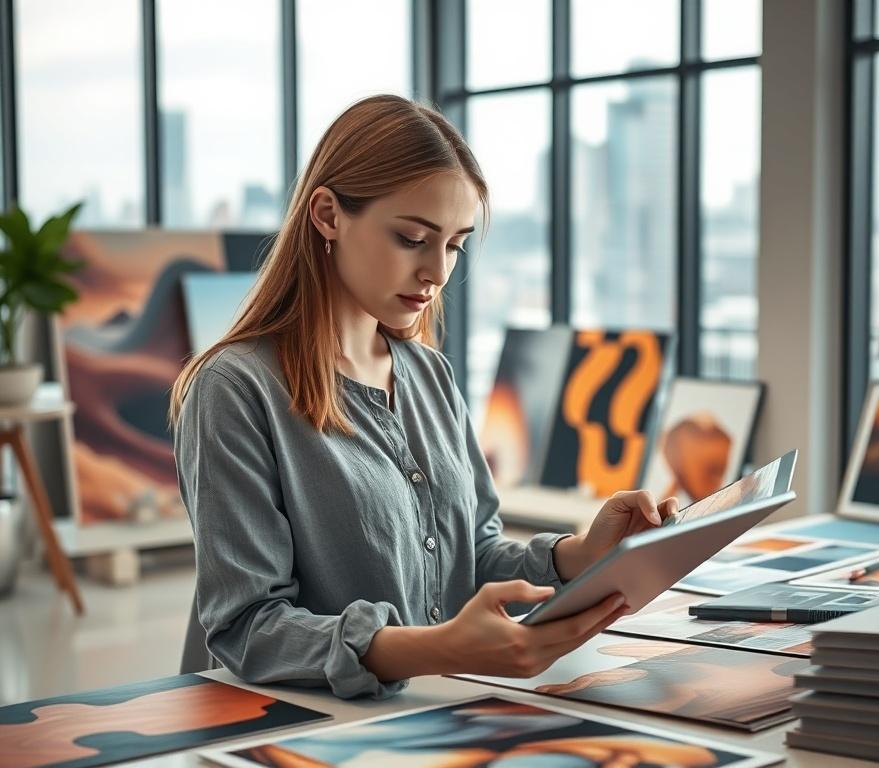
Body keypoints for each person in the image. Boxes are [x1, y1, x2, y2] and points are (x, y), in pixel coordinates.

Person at [170, 94, 679, 701]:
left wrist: (581, 554)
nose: (438, 271)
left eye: (455, 244)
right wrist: (440, 649)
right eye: (413, 238)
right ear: (328, 215)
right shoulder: (233, 390)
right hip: (291, 732)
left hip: (417, 716)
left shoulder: (430, 375)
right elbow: (247, 628)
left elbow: (473, 556)